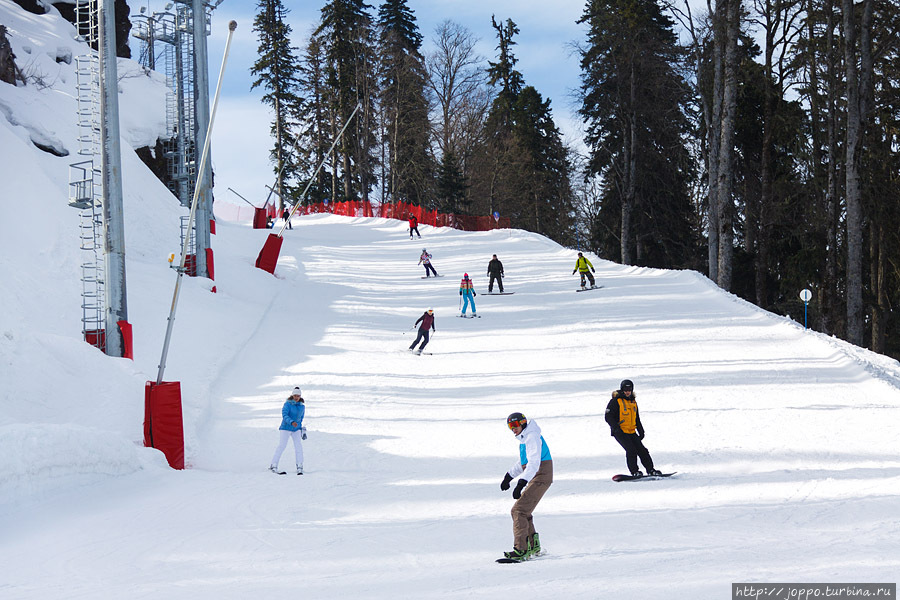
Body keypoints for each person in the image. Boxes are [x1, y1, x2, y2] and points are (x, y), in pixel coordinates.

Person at [499, 412, 553, 561]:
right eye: (510, 426)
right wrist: (508, 476)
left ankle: (521, 550)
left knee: (518, 510)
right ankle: (532, 545)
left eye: (515, 425)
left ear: (522, 423)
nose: (513, 429)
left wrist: (521, 483)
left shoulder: (532, 437)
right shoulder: (526, 438)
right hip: (537, 476)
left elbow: (534, 463)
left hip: (541, 476)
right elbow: (523, 462)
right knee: (524, 511)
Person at [604, 379, 662, 477]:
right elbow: (608, 417)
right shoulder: (615, 401)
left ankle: (651, 470)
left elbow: (636, 418)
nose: (627, 392)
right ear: (622, 390)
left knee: (642, 450)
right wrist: (616, 428)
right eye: (625, 390)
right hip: (620, 432)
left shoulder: (633, 402)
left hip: (631, 431)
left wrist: (641, 431)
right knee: (631, 450)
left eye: (629, 390)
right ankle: (634, 471)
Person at [269, 387, 307, 475]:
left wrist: (302, 429)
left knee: (298, 447)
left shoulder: (302, 406)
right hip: (285, 428)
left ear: (300, 396)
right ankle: (273, 464)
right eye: (295, 395)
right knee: (282, 446)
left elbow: (301, 418)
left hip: (296, 429)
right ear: (292, 395)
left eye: (298, 396)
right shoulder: (287, 404)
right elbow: (284, 415)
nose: (296, 397)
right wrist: (291, 422)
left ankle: (300, 465)